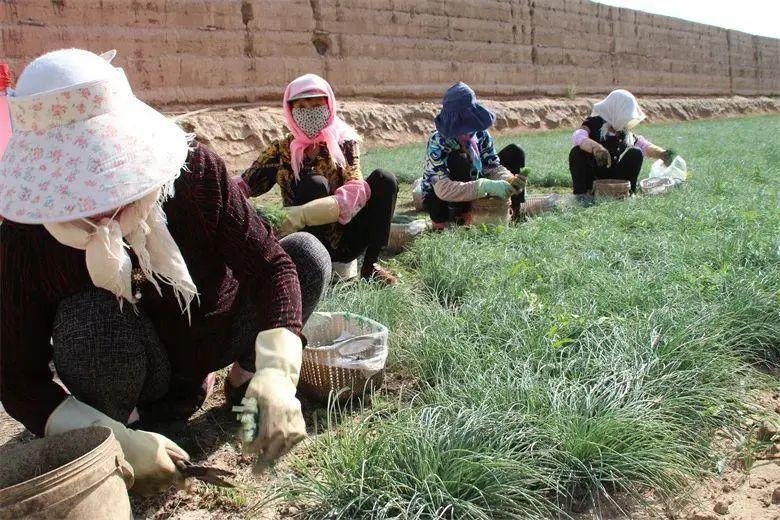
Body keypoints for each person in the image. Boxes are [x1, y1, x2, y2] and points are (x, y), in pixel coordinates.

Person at [0, 49, 331, 494]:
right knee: (88, 321)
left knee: (307, 256)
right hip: (132, 369)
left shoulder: (193, 176)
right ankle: (133, 419)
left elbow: (272, 269)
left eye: (106, 169)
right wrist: (118, 441)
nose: (100, 202)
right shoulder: (27, 238)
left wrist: (277, 370)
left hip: (215, 332)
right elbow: (19, 379)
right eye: (79, 184)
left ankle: (243, 379)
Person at [239, 74, 399, 286]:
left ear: (328, 105)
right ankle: (310, 270)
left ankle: (370, 266)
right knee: (313, 183)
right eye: (302, 107)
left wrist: (303, 214)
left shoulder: (344, 143)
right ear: (291, 111)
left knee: (384, 179)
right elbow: (246, 183)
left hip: (345, 237)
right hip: (304, 242)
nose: (310, 112)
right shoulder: (281, 150)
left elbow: (356, 189)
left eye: (316, 105)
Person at [421, 82, 527, 228]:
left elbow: (492, 166)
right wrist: (484, 186)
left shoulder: (480, 134)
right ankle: (454, 218)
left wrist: (509, 180)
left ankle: (512, 214)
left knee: (515, 152)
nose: (467, 131)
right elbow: (442, 189)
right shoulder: (438, 141)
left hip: (474, 183)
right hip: (443, 197)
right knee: (459, 159)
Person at [569, 89, 675, 198]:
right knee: (576, 151)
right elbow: (578, 136)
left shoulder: (623, 131)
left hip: (614, 177)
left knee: (636, 153)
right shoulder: (594, 122)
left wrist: (662, 154)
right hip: (591, 176)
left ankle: (627, 192)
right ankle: (582, 195)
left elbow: (644, 145)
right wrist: (596, 148)